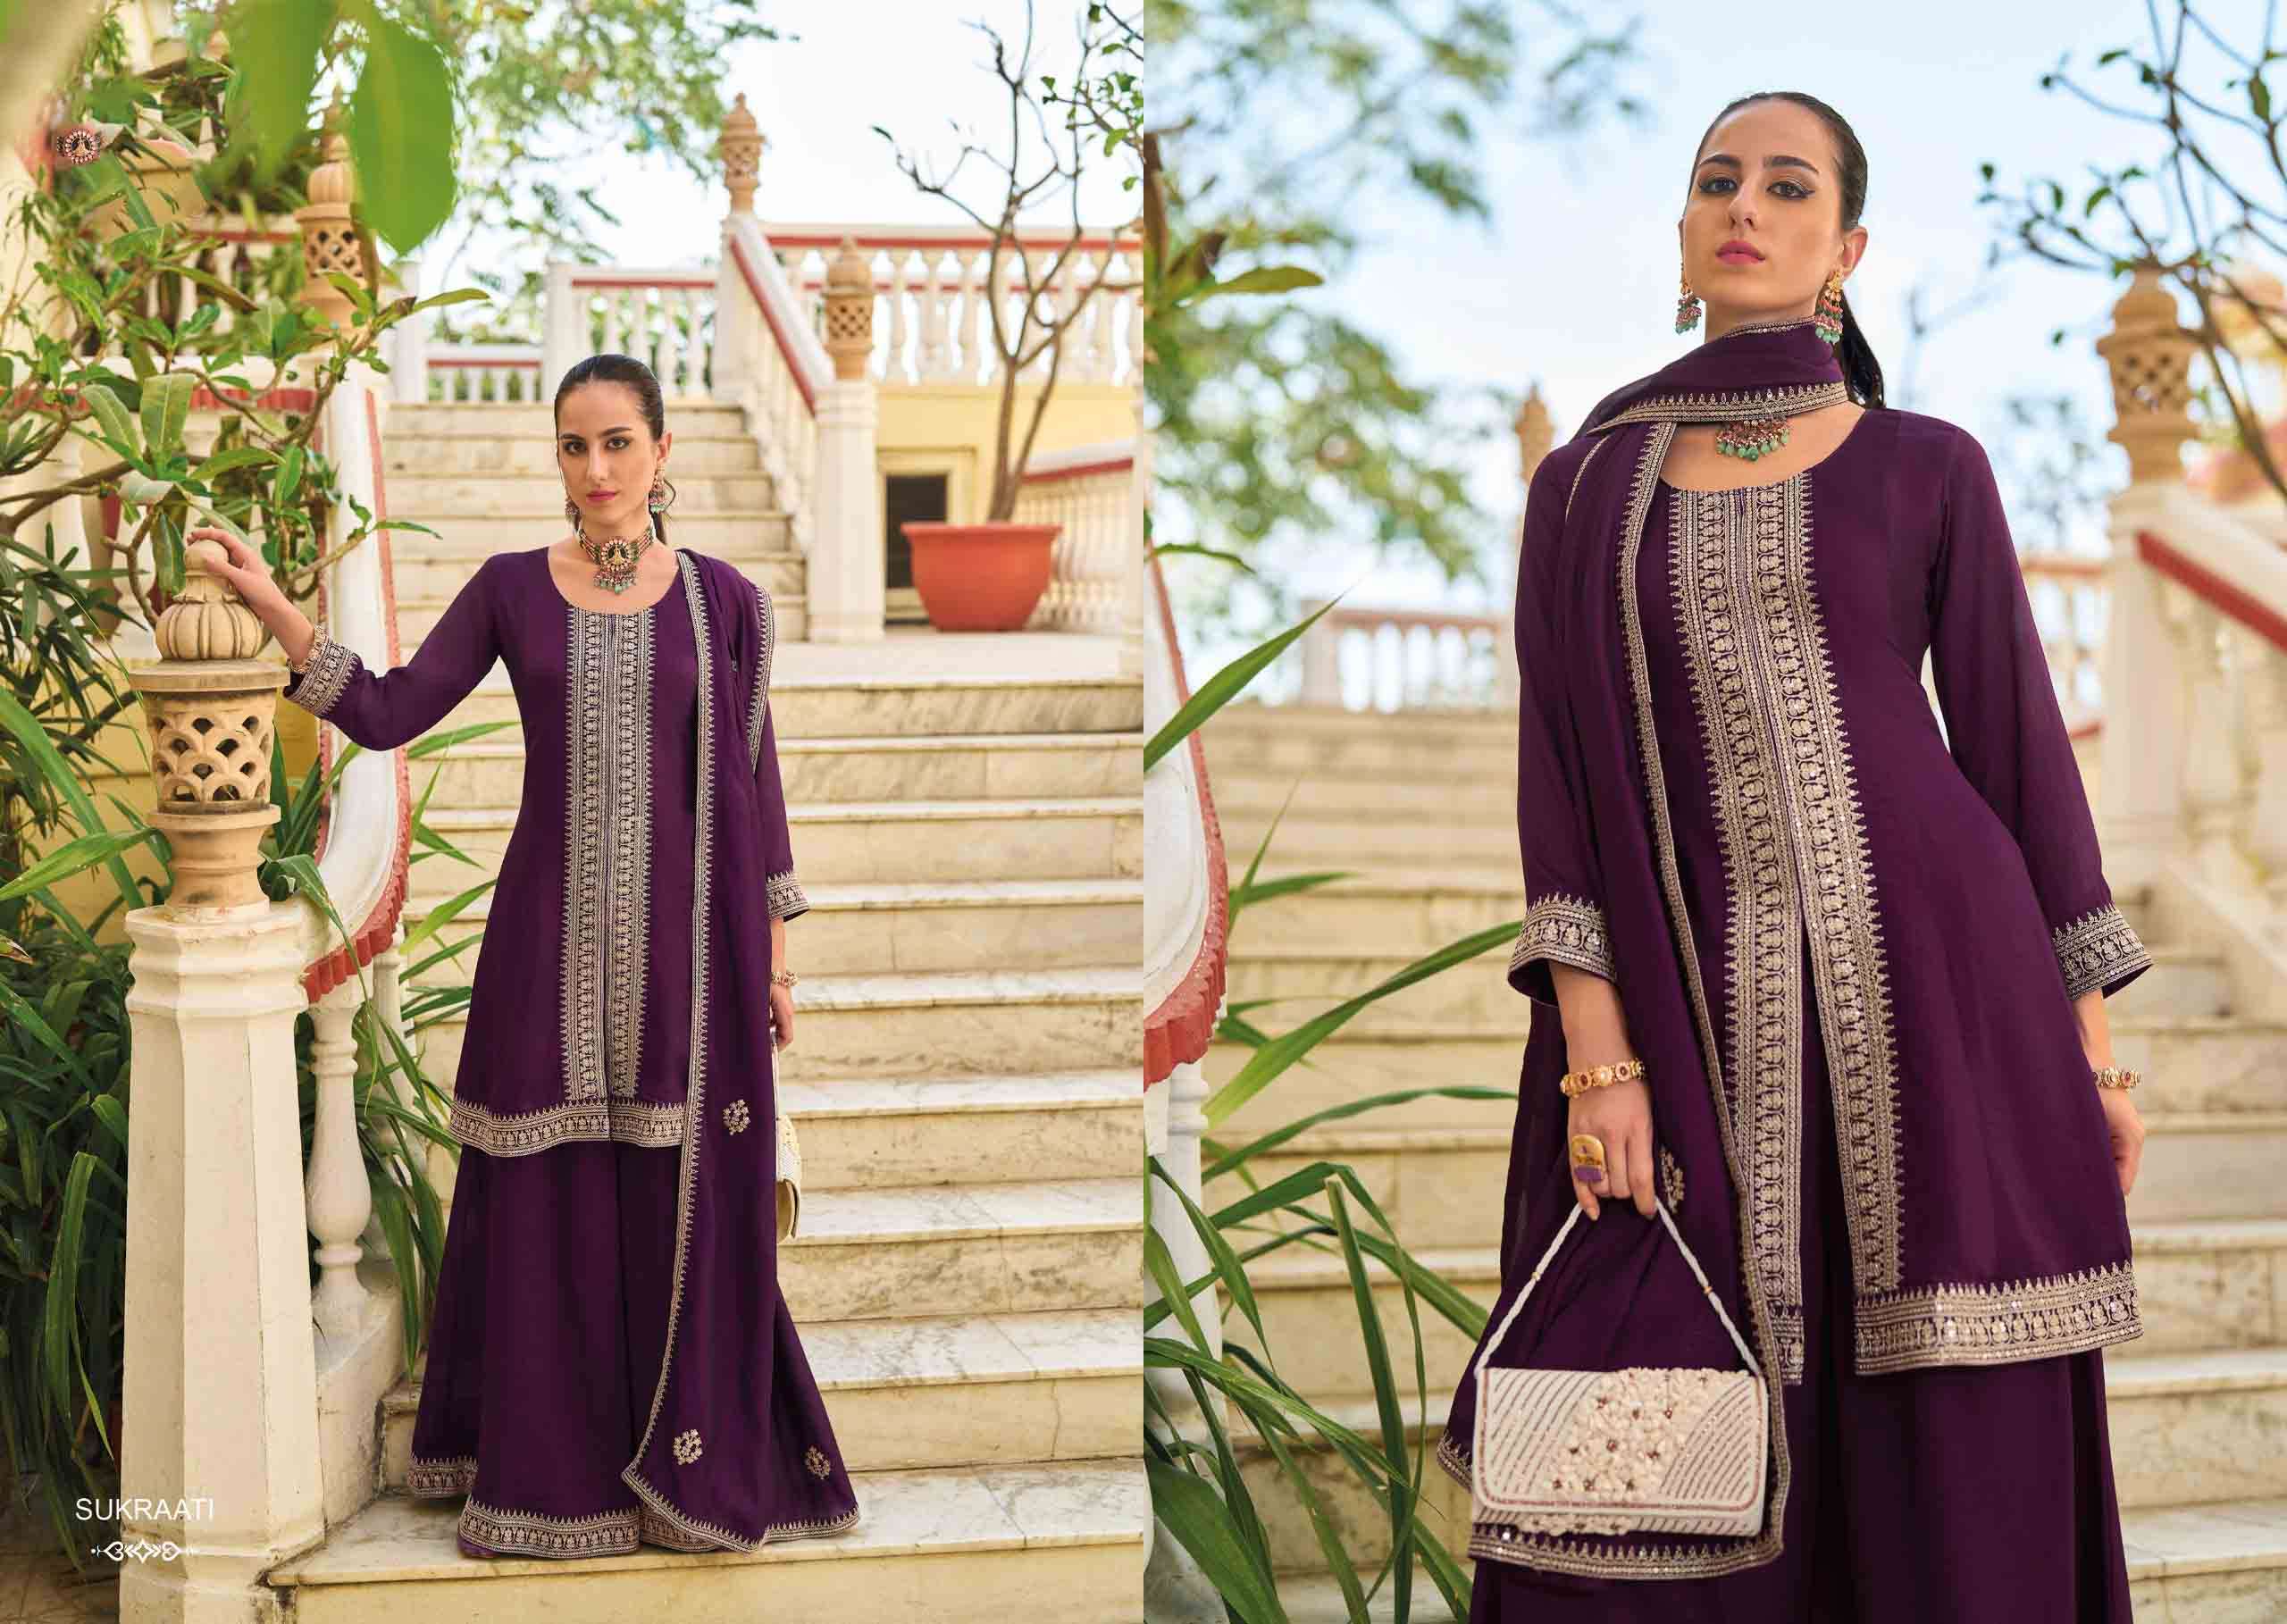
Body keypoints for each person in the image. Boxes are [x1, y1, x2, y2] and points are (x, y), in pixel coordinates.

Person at [1435, 92, 2150, 1621]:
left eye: (1785, 185)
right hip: (1684, 1022)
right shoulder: (1587, 487)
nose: (1744, 206)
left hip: (1944, 1011)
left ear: (1847, 249)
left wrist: (2093, 1052)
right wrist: (1597, 1055)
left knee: (1955, 1436)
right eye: (1718, 182)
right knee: (1651, 1458)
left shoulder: (1928, 465)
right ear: (1685, 231)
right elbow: (1559, 776)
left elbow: (2019, 757)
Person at [189, 352, 861, 1559]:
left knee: (671, 1195)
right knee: (548, 1199)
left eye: (618, 442)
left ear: (662, 453)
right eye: (573, 445)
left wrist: (770, 956)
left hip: (687, 966)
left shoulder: (725, 603)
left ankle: (682, 1472)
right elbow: (390, 710)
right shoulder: (511, 589)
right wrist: (277, 608)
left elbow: (754, 782)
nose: (596, 468)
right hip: (542, 954)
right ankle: (555, 1480)